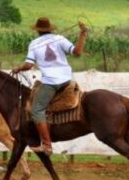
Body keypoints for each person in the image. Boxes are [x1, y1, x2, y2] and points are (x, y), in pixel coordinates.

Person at [11, 17, 88, 155]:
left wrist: (18, 68)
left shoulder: (34, 44)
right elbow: (77, 52)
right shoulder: (59, 38)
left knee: (36, 110)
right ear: (50, 28)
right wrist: (83, 34)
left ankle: (47, 145)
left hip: (51, 82)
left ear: (37, 30)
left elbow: (28, 65)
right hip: (67, 79)